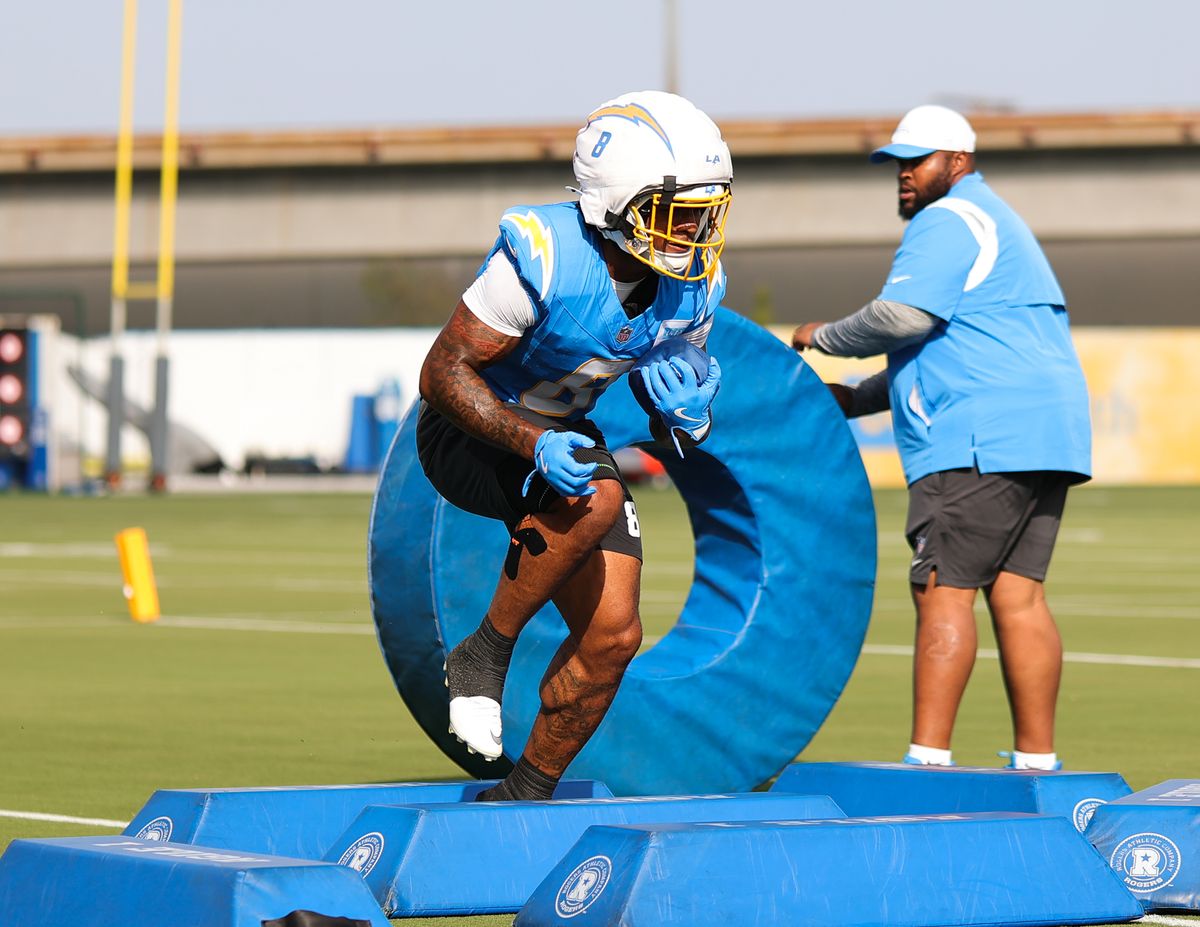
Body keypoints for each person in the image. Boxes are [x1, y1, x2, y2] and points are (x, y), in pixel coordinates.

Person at [416, 90, 730, 801]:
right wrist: (531, 443)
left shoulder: (694, 284)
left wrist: (690, 413)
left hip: (563, 435)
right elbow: (441, 373)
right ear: (615, 201)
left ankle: (525, 794)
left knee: (614, 637)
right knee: (600, 485)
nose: (696, 232)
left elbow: (666, 416)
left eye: (705, 212)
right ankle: (483, 654)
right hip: (472, 429)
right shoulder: (548, 254)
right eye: (677, 213)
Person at [792, 104, 1091, 770]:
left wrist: (822, 339)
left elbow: (903, 315)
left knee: (941, 588)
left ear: (958, 162)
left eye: (916, 161)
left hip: (976, 439)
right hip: (1047, 433)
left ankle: (927, 761)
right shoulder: (999, 220)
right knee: (1019, 593)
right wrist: (859, 397)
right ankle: (1038, 765)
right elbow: (957, 341)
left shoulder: (946, 219)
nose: (904, 176)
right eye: (898, 163)